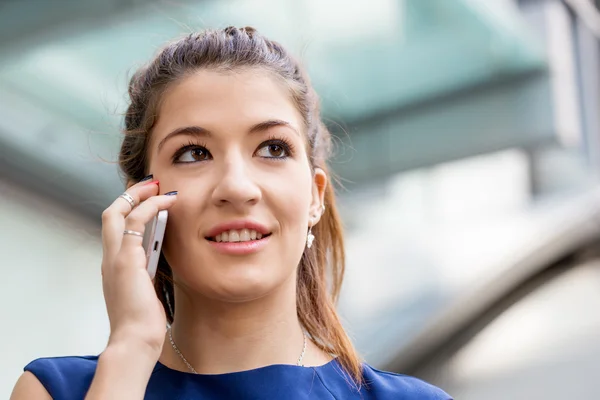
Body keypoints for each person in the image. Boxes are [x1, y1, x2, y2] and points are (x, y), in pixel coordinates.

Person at [11, 26, 452, 399]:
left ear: (315, 196)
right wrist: (130, 349)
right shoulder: (57, 391)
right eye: (193, 153)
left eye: (272, 148)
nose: (237, 188)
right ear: (143, 204)